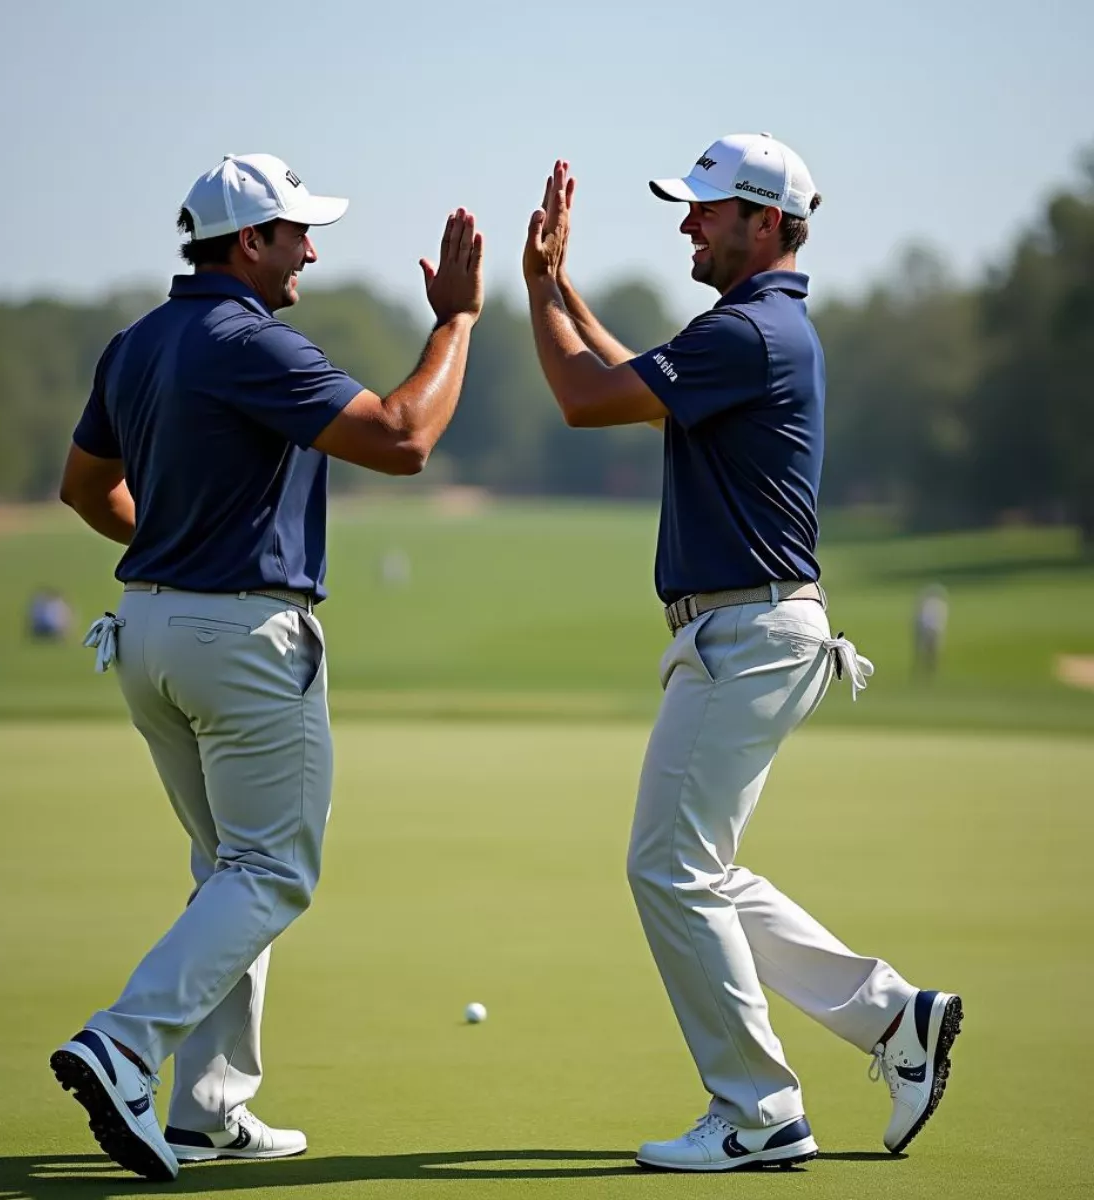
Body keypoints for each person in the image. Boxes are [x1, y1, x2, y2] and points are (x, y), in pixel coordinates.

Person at [522, 137, 962, 1172]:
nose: (687, 222)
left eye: (706, 209)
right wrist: (563, 289)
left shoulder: (750, 335)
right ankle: (895, 1020)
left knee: (667, 868)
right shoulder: (751, 331)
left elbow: (586, 398)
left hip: (747, 634)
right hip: (752, 632)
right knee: (700, 868)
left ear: (765, 224)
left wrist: (537, 289)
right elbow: (626, 373)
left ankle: (760, 1111)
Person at [54, 153, 483, 1180]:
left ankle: (208, 1109)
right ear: (249, 243)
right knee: (272, 870)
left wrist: (172, 556)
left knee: (226, 868)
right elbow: (404, 438)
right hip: (241, 640)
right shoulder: (250, 342)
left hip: (145, 629)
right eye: (298, 233)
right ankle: (125, 1044)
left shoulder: (136, 342)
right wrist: (457, 322)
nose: (312, 250)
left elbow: (82, 489)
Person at [913, 583, 949, 680]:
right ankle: (926, 670)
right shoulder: (937, 605)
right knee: (928, 652)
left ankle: (929, 670)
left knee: (930, 652)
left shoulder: (934, 605)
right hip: (931, 631)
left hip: (931, 631)